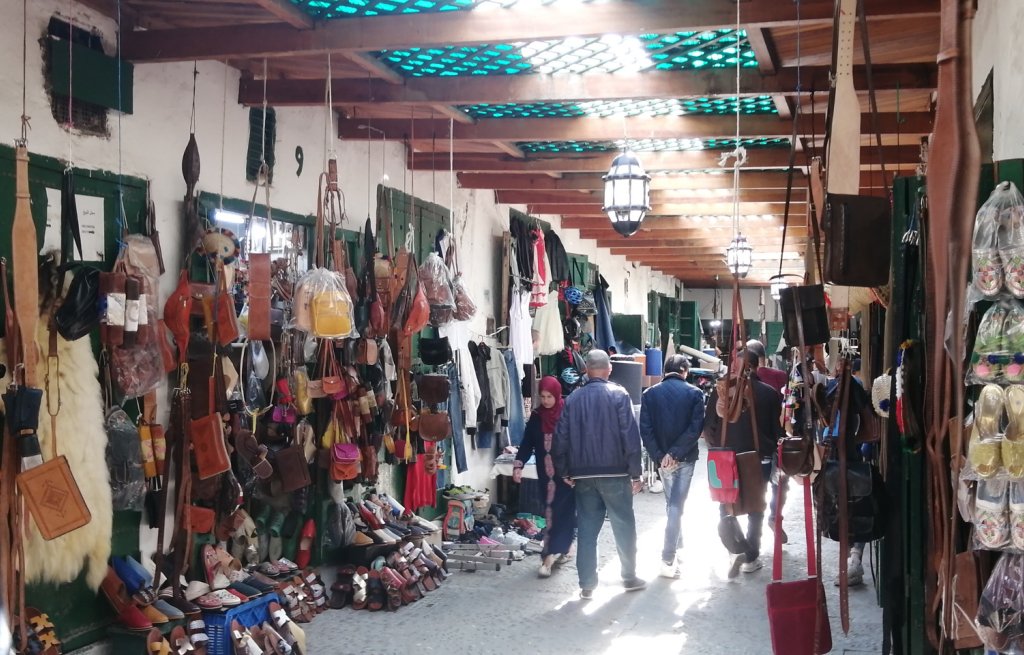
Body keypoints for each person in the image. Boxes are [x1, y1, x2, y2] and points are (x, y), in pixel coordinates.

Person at [552, 350, 646, 599]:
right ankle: (629, 577)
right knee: (624, 526)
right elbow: (630, 436)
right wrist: (636, 473)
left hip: (582, 476)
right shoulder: (619, 394)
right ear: (609, 369)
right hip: (615, 473)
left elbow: (560, 438)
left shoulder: (573, 399)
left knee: (586, 529)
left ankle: (587, 584)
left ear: (586, 370)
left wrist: (563, 471)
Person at [703, 348, 786, 579]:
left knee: (726, 504)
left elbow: (708, 427)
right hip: (758, 458)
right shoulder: (769, 394)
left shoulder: (721, 393)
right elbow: (776, 431)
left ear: (737, 364)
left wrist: (717, 449)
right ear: (757, 364)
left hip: (726, 456)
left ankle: (734, 548)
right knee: (756, 507)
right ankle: (751, 557)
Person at [639, 355, 705, 579]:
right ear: (685, 370)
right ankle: (668, 558)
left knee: (672, 503)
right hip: (684, 458)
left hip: (662, 460)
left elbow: (645, 430)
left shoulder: (649, 394)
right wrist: (675, 453)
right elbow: (695, 429)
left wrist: (661, 456)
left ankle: (679, 545)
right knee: (677, 505)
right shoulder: (695, 393)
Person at [513, 376, 577, 578]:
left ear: (557, 395)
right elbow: (527, 443)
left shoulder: (567, 413)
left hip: (566, 475)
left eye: (550, 396)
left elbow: (576, 442)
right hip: (546, 476)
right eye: (543, 396)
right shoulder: (537, 416)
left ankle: (549, 556)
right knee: (551, 512)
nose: (546, 400)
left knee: (563, 513)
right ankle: (560, 550)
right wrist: (518, 465)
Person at [746, 339, 790, 543]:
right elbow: (787, 408)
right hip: (771, 442)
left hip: (745, 447)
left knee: (753, 489)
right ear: (763, 356)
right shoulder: (779, 377)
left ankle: (751, 537)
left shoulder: (738, 384)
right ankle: (774, 514)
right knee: (779, 483)